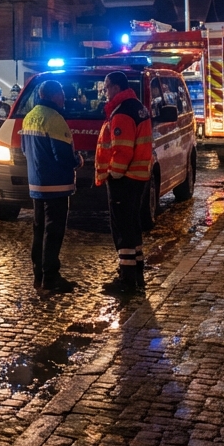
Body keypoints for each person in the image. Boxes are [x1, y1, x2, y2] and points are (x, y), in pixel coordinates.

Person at [94, 71, 152, 294]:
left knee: (123, 228)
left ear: (116, 88)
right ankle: (136, 273)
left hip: (124, 179)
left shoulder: (122, 113)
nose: (105, 92)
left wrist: (113, 174)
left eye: (107, 87)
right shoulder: (137, 107)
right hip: (138, 177)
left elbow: (122, 150)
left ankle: (127, 279)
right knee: (133, 225)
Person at [21, 80, 80, 294]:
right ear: (54, 96)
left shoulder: (29, 117)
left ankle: (38, 275)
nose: (64, 98)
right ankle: (50, 279)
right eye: (62, 93)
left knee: (39, 230)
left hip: (36, 184)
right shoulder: (55, 119)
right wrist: (78, 160)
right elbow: (62, 156)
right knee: (53, 232)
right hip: (56, 185)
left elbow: (25, 150)